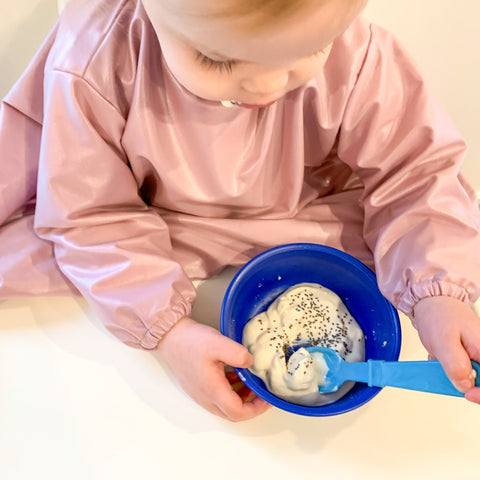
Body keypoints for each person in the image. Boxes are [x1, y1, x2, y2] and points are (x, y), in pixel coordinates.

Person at [1, 0, 480, 421]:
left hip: (306, 211)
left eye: (310, 50)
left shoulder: (360, 57)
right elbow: (91, 216)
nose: (267, 85)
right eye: (216, 57)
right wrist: (170, 333)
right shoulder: (98, 59)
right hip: (155, 220)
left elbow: (415, 173)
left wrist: (440, 293)